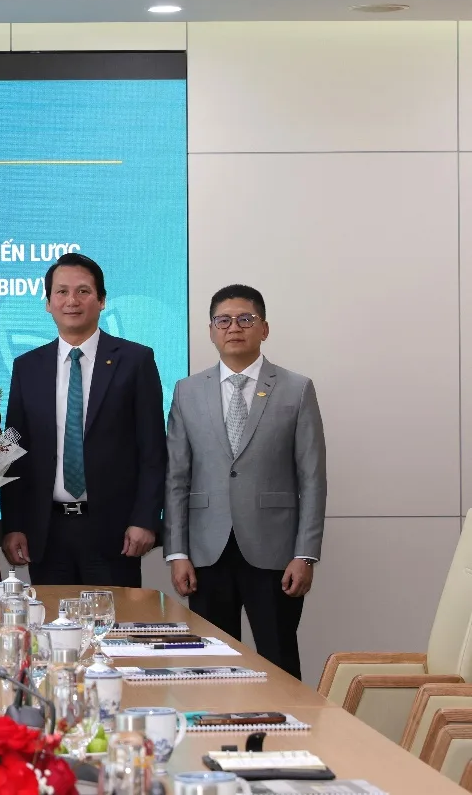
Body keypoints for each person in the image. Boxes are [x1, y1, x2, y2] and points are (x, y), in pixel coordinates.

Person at [165, 285, 326, 679]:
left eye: (245, 319)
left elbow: (312, 478)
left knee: (278, 658)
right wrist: (177, 552)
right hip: (206, 552)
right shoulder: (187, 391)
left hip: (275, 552)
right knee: (211, 665)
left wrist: (305, 554)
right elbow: (176, 477)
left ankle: (285, 721)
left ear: (264, 328)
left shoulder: (296, 389)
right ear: (211, 330)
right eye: (223, 320)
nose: (233, 327)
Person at [0, 252, 166, 587]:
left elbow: (153, 450)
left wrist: (145, 519)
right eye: (61, 292)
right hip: (47, 533)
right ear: (48, 303)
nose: (71, 301)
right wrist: (13, 525)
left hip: (115, 533)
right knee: (49, 621)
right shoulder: (27, 366)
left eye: (83, 291)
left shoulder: (135, 360)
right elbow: (14, 453)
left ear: (102, 300)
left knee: (115, 621)